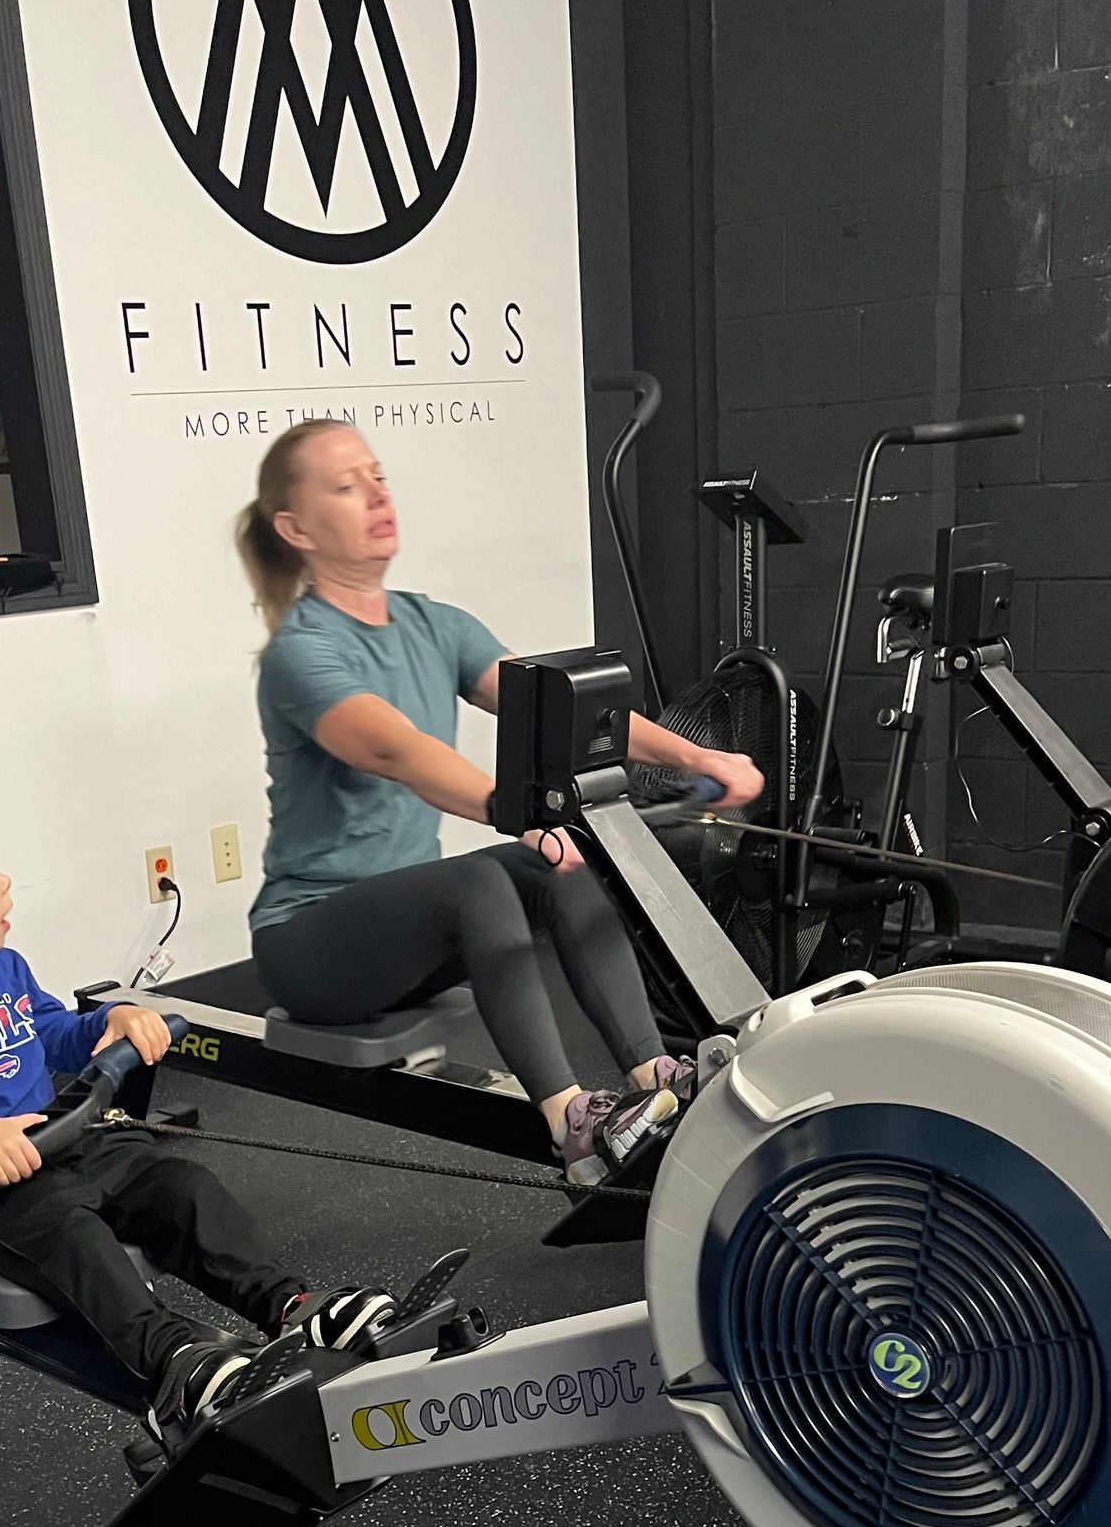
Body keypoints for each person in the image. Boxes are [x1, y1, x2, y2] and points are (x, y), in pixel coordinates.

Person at [236, 417, 764, 1187]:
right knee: (484, 877)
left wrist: (697, 756)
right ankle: (571, 1124)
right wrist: (515, 808)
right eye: (346, 487)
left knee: (561, 863)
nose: (377, 495)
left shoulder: (433, 624)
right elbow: (395, 751)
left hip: (407, 937)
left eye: (378, 476)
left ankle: (656, 1081)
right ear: (295, 527)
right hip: (311, 945)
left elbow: (558, 711)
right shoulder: (303, 651)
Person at [0, 789, 399, 1438]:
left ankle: (290, 1304)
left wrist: (111, 1021)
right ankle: (175, 1364)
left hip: (70, 1143)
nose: (4, 883)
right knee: (73, 1232)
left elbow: (55, 1031)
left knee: (182, 1187)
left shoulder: (3, 968)